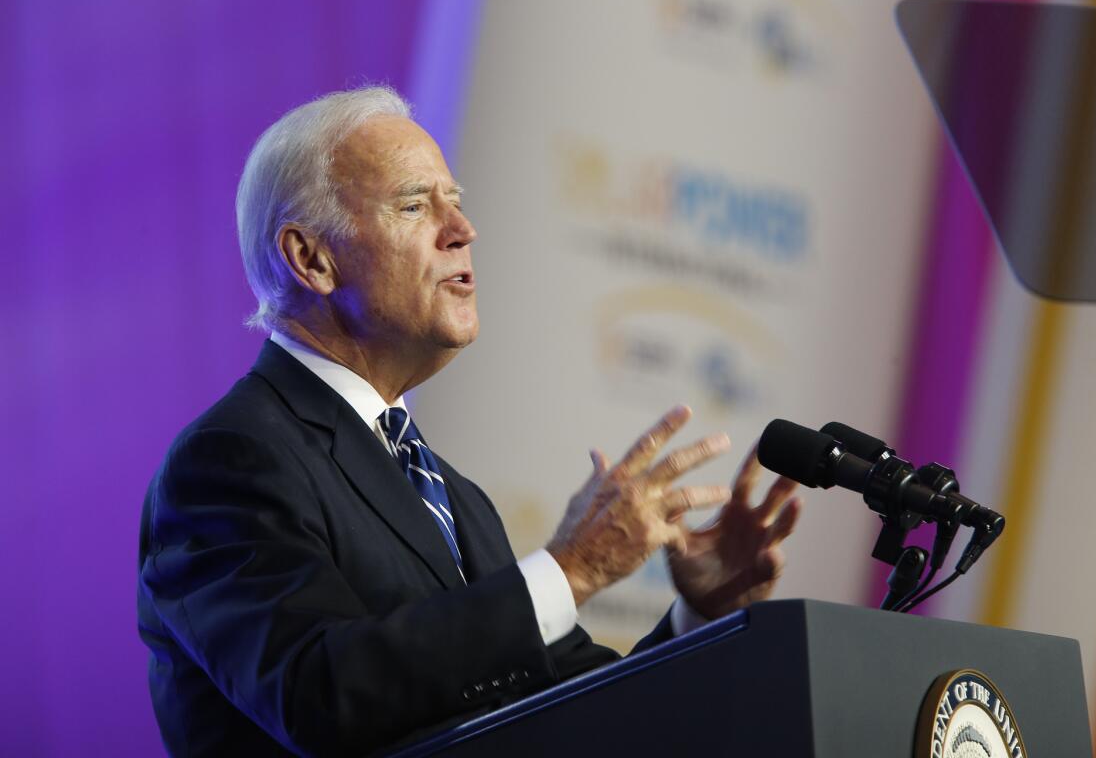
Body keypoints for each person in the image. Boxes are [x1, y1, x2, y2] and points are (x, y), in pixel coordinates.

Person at [136, 86, 801, 757]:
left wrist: (699, 617)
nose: (463, 230)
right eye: (415, 205)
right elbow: (317, 694)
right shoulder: (229, 460)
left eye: (456, 201)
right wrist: (570, 571)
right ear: (311, 259)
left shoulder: (456, 497)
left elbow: (586, 707)